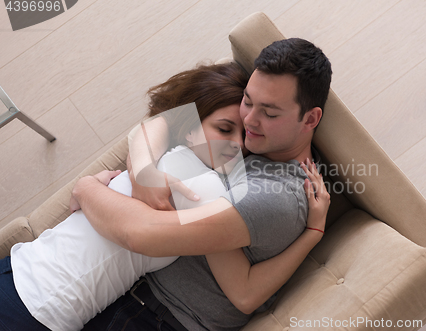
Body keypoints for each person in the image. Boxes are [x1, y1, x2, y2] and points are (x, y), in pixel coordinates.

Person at [0, 62, 329, 331]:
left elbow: (151, 128)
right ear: (188, 126)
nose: (238, 144)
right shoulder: (204, 188)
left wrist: (89, 187)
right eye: (225, 129)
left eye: (243, 134)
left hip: (22, 275)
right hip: (35, 305)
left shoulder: (160, 154)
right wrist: (313, 234)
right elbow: (242, 291)